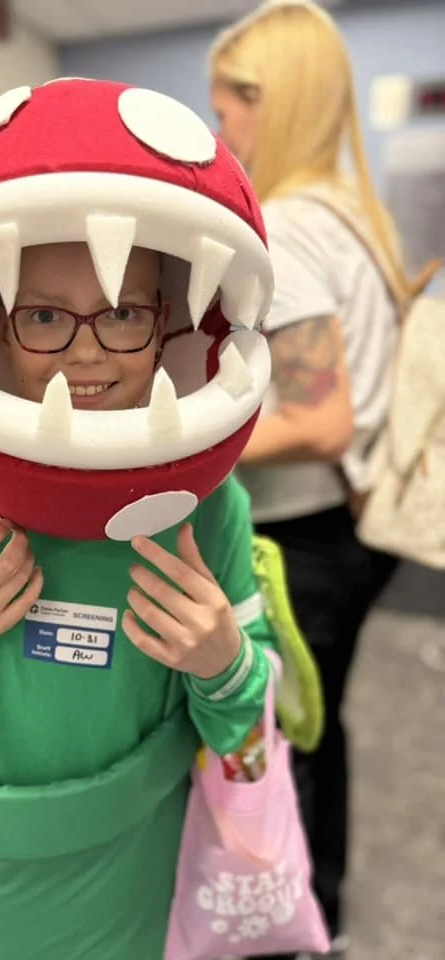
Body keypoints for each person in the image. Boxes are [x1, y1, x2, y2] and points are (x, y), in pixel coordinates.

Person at [0, 79, 316, 960]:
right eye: (45, 316)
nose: (86, 350)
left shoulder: (214, 508)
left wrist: (225, 664)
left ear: (165, 320)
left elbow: (247, 740)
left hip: (136, 855)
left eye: (123, 314)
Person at [208, 2, 432, 954]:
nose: (219, 133)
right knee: (315, 725)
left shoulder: (290, 225)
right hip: (351, 531)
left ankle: (291, 930)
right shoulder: (354, 215)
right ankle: (321, 914)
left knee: (279, 745)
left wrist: (177, 439)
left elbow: (317, 416)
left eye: (226, 112)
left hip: (302, 539)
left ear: (270, 104)